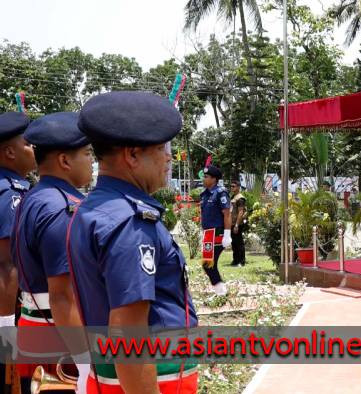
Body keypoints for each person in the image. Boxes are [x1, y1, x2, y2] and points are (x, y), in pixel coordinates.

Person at [67, 91, 198, 393]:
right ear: (133, 155)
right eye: (162, 147)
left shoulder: (94, 209)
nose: (169, 157)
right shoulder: (131, 222)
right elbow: (129, 329)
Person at [11, 112, 93, 393]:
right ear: (65, 160)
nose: (92, 161)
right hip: (61, 337)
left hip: (35, 326)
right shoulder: (63, 208)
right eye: (87, 153)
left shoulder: (30, 199)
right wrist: (85, 363)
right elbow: (63, 294)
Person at [0, 111, 33, 391]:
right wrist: (7, 328)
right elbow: (6, 264)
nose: (33, 149)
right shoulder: (10, 193)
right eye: (28, 143)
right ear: (9, 152)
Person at [199, 165, 232, 295]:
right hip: (208, 233)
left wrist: (227, 234)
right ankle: (220, 291)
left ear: (214, 179)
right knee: (208, 264)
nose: (204, 179)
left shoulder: (220, 192)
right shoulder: (204, 194)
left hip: (217, 232)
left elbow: (227, 214)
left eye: (206, 177)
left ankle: (221, 292)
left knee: (208, 264)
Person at [230, 179, 247, 267]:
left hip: (237, 224)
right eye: (231, 186)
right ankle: (235, 260)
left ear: (238, 187)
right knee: (233, 242)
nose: (232, 188)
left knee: (239, 242)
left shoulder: (240, 198)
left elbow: (241, 212)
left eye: (233, 186)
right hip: (232, 223)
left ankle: (241, 261)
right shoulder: (233, 197)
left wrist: (236, 225)